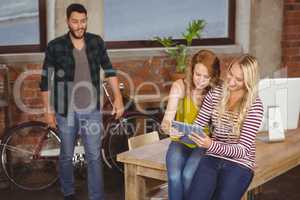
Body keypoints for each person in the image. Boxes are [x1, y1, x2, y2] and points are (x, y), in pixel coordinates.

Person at [40, 3, 124, 200]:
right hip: (65, 109)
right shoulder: (55, 46)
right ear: (68, 21)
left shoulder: (96, 42)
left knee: (94, 156)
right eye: (75, 21)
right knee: (66, 155)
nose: (80, 26)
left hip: (91, 109)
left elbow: (109, 70)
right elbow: (45, 81)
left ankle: (97, 196)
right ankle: (68, 192)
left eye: (83, 21)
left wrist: (117, 98)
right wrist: (48, 111)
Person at [188, 54, 264, 200]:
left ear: (249, 81)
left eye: (239, 79)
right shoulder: (216, 92)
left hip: (239, 163)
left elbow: (242, 150)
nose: (231, 81)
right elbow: (199, 122)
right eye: (230, 74)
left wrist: (210, 144)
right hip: (213, 157)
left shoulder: (255, 106)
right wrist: (186, 130)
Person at [160, 49, 221, 200]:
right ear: (191, 71)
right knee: (174, 177)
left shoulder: (217, 91)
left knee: (188, 176)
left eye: (206, 77)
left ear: (213, 77)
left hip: (203, 144)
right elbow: (165, 123)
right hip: (181, 140)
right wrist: (169, 130)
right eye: (197, 74)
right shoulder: (180, 86)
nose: (200, 80)